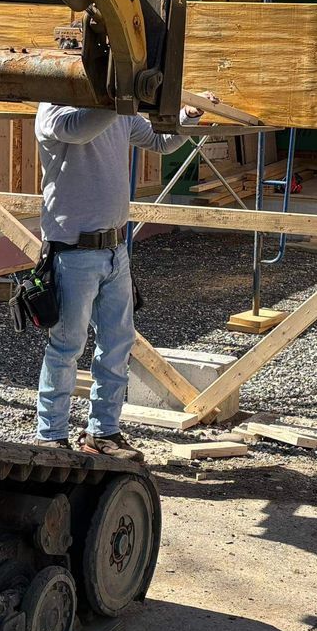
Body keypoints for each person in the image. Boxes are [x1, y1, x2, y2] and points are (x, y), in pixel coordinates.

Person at [32, 102, 194, 459]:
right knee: (66, 347)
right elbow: (81, 128)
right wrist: (122, 101)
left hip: (114, 250)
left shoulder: (119, 113)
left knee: (117, 343)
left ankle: (103, 432)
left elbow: (160, 141)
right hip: (72, 252)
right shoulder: (53, 109)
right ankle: (50, 436)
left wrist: (186, 118)